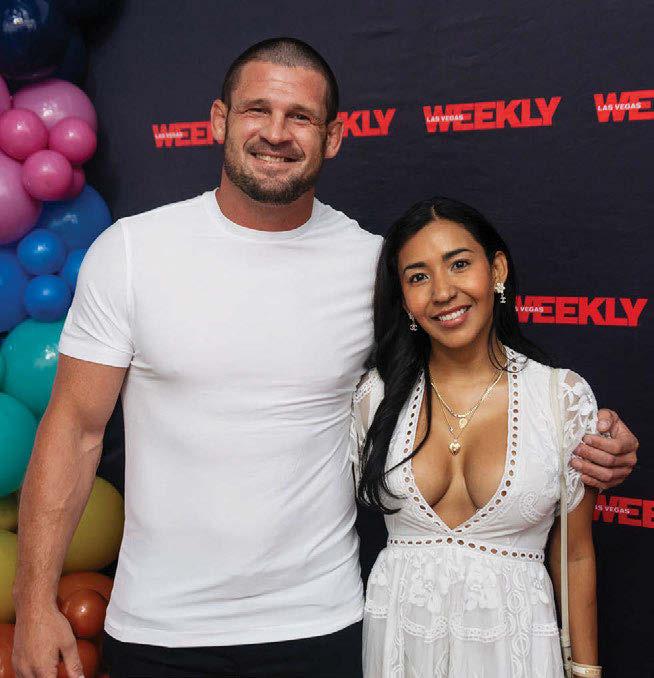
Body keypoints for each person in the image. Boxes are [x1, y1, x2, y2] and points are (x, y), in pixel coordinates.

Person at [11, 38, 636, 678]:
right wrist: (34, 603)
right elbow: (74, 430)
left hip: (321, 626)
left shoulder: (375, 269)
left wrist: (585, 435)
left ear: (333, 137)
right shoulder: (131, 252)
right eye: (257, 110)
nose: (277, 133)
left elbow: (466, 378)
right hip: (158, 627)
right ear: (220, 120)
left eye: (301, 117)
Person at [352, 197, 604, 677]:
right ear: (403, 299)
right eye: (418, 277)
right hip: (400, 647)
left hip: (516, 651)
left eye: (459, 264)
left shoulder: (560, 397)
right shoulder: (374, 397)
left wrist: (587, 671)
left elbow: (575, 554)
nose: (443, 292)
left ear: (497, 271)